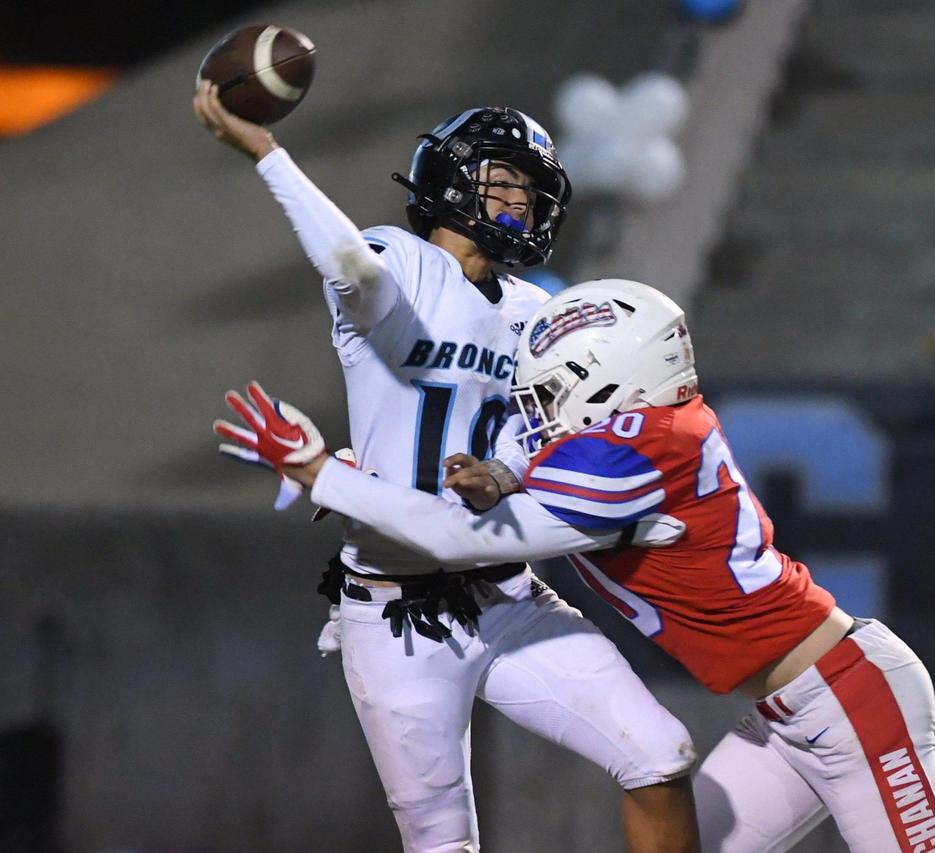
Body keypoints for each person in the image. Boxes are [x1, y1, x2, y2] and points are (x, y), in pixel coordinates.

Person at [217, 278, 935, 852]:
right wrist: (379, 471)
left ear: (609, 375)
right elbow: (491, 489)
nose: (538, 414)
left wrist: (325, 473)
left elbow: (459, 539)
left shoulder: (632, 450)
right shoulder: (642, 434)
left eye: (549, 392)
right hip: (789, 715)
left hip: (850, 698)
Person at [193, 86, 700, 853]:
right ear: (451, 182)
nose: (523, 204)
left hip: (508, 595)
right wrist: (270, 156)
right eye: (505, 182)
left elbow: (544, 439)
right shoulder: (399, 263)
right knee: (442, 845)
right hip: (397, 616)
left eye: (530, 192)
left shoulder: (535, 308)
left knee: (661, 755)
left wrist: (497, 468)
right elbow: (350, 269)